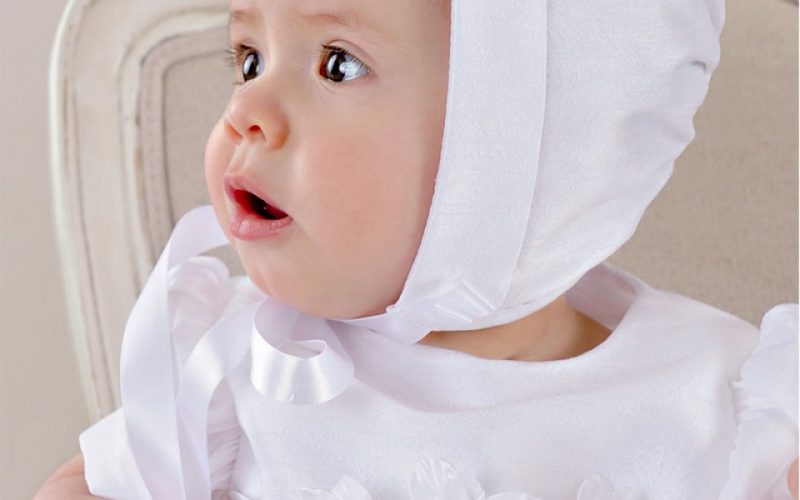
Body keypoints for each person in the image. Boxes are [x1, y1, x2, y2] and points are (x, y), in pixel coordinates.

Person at [36, 0, 798, 498]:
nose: (247, 111)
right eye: (249, 58)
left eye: (338, 64)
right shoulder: (237, 372)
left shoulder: (723, 403)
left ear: (526, 152)